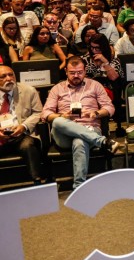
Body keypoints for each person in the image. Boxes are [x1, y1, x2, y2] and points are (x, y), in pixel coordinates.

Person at [41, 57, 120, 188]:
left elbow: (110, 107)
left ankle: (78, 186)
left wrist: (96, 113)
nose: (76, 75)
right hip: (64, 135)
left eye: (79, 72)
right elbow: (46, 113)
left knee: (79, 141)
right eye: (72, 73)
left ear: (85, 71)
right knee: (58, 122)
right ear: (66, 71)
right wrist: (63, 116)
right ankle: (102, 142)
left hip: (90, 127)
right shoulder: (57, 88)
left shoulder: (95, 85)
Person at [0, 65, 46, 184]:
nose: (9, 79)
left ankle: (36, 181)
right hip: (1, 136)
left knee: (28, 145)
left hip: (22, 135)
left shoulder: (28, 90)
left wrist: (23, 126)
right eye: (3, 76)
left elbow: (38, 112)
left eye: (11, 75)